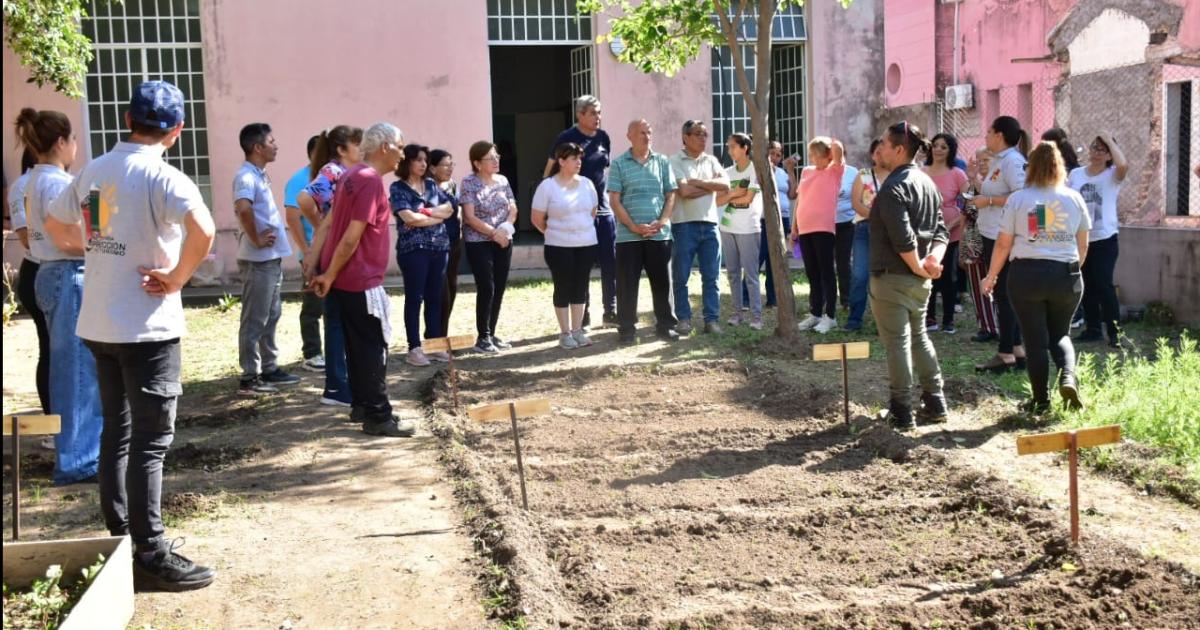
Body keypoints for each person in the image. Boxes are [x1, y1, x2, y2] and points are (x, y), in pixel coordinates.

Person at [43, 80, 217, 590]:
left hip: (100, 322)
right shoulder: (164, 176)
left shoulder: (93, 171)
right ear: (177, 130)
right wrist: (177, 278)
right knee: (150, 441)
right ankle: (150, 552)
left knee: (116, 434)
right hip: (146, 326)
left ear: (126, 119)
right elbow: (204, 231)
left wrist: (97, 251)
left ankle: (123, 538)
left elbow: (57, 226)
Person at [310, 122, 416, 438]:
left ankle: (361, 405)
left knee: (356, 345)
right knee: (373, 346)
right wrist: (327, 273)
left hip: (344, 278)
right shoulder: (368, 179)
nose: (403, 154)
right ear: (384, 147)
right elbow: (351, 237)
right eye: (400, 147)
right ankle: (378, 416)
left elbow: (330, 224)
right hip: (360, 277)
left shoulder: (350, 175)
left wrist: (319, 267)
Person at [16, 107, 102, 486]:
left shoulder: (34, 180)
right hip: (65, 273)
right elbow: (68, 239)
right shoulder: (55, 183)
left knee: (70, 368)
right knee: (77, 372)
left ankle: (80, 455)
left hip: (50, 272)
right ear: (62, 141)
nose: (76, 146)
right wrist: (102, 246)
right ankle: (78, 461)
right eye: (73, 139)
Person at [982, 142, 1091, 414]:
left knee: (1034, 340)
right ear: (1059, 167)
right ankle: (1068, 377)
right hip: (1066, 274)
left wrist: (991, 276)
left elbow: (1003, 244)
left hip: (1026, 275)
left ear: (1029, 168)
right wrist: (1070, 270)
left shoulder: (1019, 199)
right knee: (1061, 334)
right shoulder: (1074, 198)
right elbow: (1083, 245)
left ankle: (1041, 401)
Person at [868, 121, 950, 429]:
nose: (880, 149)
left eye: (884, 144)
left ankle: (901, 412)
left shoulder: (893, 187)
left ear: (899, 149)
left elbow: (903, 240)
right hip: (920, 280)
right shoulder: (927, 182)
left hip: (894, 278)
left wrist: (920, 265)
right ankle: (935, 402)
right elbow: (941, 231)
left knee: (899, 344)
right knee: (919, 338)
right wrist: (931, 262)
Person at [233, 123, 299, 395]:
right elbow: (243, 208)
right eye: (271, 142)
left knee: (271, 315)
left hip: (270, 259)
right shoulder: (245, 177)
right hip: (257, 260)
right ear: (257, 147)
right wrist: (256, 238)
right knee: (254, 319)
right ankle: (249, 378)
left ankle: (269, 368)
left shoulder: (258, 175)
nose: (276, 146)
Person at [299, 125, 363, 408]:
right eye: (357, 144)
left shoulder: (349, 172)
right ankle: (336, 386)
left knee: (345, 320)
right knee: (336, 320)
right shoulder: (332, 171)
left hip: (345, 252)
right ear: (341, 149)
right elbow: (304, 199)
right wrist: (321, 226)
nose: (362, 149)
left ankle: (342, 382)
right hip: (334, 252)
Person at [543, 95, 614, 327]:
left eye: (599, 112)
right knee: (582, 264)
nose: (598, 117)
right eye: (593, 113)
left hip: (602, 209)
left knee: (610, 261)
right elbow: (549, 171)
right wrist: (550, 204)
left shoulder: (603, 137)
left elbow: (603, 171)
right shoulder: (566, 138)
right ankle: (582, 314)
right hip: (576, 211)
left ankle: (611, 310)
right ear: (580, 115)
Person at [609, 119, 679, 344]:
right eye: (641, 132)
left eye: (649, 132)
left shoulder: (662, 161)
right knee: (627, 285)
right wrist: (633, 226)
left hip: (659, 235)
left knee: (662, 283)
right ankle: (626, 329)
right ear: (629, 136)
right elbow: (614, 200)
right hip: (628, 237)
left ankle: (666, 326)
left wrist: (662, 221)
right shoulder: (619, 164)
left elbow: (671, 194)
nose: (647, 136)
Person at [389, 143, 454, 366]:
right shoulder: (398, 188)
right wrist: (435, 217)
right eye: (418, 159)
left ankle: (433, 346)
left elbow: (449, 209)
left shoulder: (431, 185)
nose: (423, 164)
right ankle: (414, 348)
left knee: (434, 297)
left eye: (425, 160)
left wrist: (424, 212)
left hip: (439, 248)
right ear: (407, 161)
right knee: (415, 298)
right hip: (413, 250)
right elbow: (408, 217)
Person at [533, 142, 599, 348]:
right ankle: (565, 333)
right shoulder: (547, 186)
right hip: (558, 246)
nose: (579, 162)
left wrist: (579, 230)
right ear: (561, 161)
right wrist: (556, 232)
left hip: (586, 244)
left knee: (581, 286)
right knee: (563, 286)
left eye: (580, 158)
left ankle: (578, 330)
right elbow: (537, 218)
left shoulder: (587, 184)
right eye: (573, 158)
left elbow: (593, 211)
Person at [974, 116, 1027, 373]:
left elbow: (1022, 195)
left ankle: (1005, 352)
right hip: (992, 233)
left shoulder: (1012, 161)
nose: (985, 136)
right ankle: (1016, 349)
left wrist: (989, 202)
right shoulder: (1000, 160)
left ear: (999, 135)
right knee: (1004, 294)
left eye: (989, 131)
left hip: (1002, 236)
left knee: (1004, 295)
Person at [668, 120, 729, 335]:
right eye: (698, 134)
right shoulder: (675, 161)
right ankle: (683, 319)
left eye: (705, 134)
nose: (703, 138)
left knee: (712, 276)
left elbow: (725, 185)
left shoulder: (711, 160)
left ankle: (711, 320)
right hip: (684, 225)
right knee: (681, 276)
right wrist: (710, 186)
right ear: (685, 137)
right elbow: (684, 192)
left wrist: (698, 182)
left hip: (710, 224)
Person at [1069, 131, 1127, 348]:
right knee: (1085, 284)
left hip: (1105, 238)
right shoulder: (1076, 174)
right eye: (1094, 147)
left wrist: (1109, 139)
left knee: (1104, 284)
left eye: (1102, 150)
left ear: (1109, 155)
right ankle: (1093, 328)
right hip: (1080, 237)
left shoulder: (1112, 175)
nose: (1095, 153)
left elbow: (1123, 165)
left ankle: (1115, 332)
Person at [462, 140, 518, 353]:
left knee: (500, 286)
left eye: (497, 156)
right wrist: (495, 234)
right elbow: (469, 217)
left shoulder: (502, 180)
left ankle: (492, 333)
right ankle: (482, 337)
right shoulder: (469, 182)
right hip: (479, 242)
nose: (496, 161)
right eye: (491, 158)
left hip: (504, 239)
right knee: (487, 286)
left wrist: (506, 228)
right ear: (477, 163)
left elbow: (513, 207)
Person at [8, 148, 50, 414]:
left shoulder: (63, 180)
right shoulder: (24, 185)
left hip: (53, 268)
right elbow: (26, 238)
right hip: (38, 269)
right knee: (50, 348)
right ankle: (53, 418)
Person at [790, 136, 845, 334]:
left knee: (826, 273)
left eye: (815, 153)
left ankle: (830, 316)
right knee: (812, 273)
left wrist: (830, 145)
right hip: (805, 228)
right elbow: (800, 199)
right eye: (810, 154)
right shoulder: (806, 171)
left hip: (824, 229)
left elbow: (838, 148)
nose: (811, 157)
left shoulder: (834, 171)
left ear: (826, 154)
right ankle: (815, 313)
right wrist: (794, 227)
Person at [283, 135, 325, 373]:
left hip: (332, 252)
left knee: (333, 305)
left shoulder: (331, 177)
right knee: (313, 305)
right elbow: (292, 217)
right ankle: (312, 353)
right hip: (312, 253)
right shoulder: (300, 179)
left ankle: (334, 349)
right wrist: (307, 251)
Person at [922, 133, 969, 334]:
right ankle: (929, 318)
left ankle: (948, 320)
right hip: (926, 233)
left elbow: (969, 202)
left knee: (948, 277)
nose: (938, 149)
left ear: (951, 151)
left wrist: (952, 224)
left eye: (943, 146)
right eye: (935, 145)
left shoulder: (957, 173)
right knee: (927, 274)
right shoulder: (921, 172)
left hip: (951, 233)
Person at [716, 132, 764, 329]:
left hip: (748, 228)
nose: (730, 151)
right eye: (728, 147)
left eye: (733, 146)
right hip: (727, 227)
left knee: (751, 275)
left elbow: (748, 199)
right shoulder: (727, 173)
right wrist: (734, 194)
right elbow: (718, 200)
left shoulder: (755, 170)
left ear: (745, 148)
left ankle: (757, 317)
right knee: (732, 273)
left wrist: (730, 196)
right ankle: (737, 313)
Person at [846, 138, 888, 331]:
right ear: (872, 154)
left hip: (889, 232)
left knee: (885, 277)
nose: (880, 155)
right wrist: (877, 216)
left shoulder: (897, 176)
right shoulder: (863, 175)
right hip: (864, 229)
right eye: (877, 152)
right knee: (859, 274)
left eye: (883, 151)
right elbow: (856, 203)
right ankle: (854, 319)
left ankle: (887, 321)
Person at [963, 146, 998, 341]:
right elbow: (967, 213)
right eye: (979, 161)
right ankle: (986, 326)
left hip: (997, 239)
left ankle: (1001, 325)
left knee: (998, 283)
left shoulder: (1001, 186)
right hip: (974, 239)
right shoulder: (971, 186)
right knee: (977, 284)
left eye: (986, 160)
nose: (982, 164)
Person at [429, 149, 462, 337]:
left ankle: (442, 334)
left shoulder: (452, 185)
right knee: (441, 294)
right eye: (445, 165)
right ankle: (435, 336)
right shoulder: (426, 188)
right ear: (433, 168)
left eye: (451, 164)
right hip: (436, 246)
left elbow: (458, 209)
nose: (450, 168)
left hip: (455, 243)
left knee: (452, 288)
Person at [760, 140, 797, 308]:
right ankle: (745, 295)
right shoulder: (761, 171)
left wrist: (790, 171)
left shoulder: (782, 173)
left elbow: (792, 194)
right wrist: (769, 169)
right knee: (761, 256)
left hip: (784, 218)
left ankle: (772, 298)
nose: (775, 157)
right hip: (766, 218)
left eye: (778, 154)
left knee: (775, 259)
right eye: (772, 154)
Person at [833, 140, 859, 309]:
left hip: (847, 223)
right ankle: (826, 299)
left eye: (839, 153)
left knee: (843, 262)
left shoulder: (853, 172)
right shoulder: (825, 172)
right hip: (826, 223)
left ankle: (846, 299)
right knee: (826, 263)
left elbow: (862, 196)